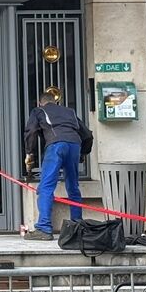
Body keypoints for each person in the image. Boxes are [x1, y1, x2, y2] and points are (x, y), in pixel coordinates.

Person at [23, 90, 94, 240]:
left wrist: (29, 153)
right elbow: (87, 135)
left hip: (56, 145)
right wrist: (83, 153)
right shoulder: (70, 112)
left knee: (46, 186)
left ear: (40, 102)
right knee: (73, 187)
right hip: (75, 145)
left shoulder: (38, 111)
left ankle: (44, 228)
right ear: (56, 102)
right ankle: (77, 227)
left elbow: (31, 132)